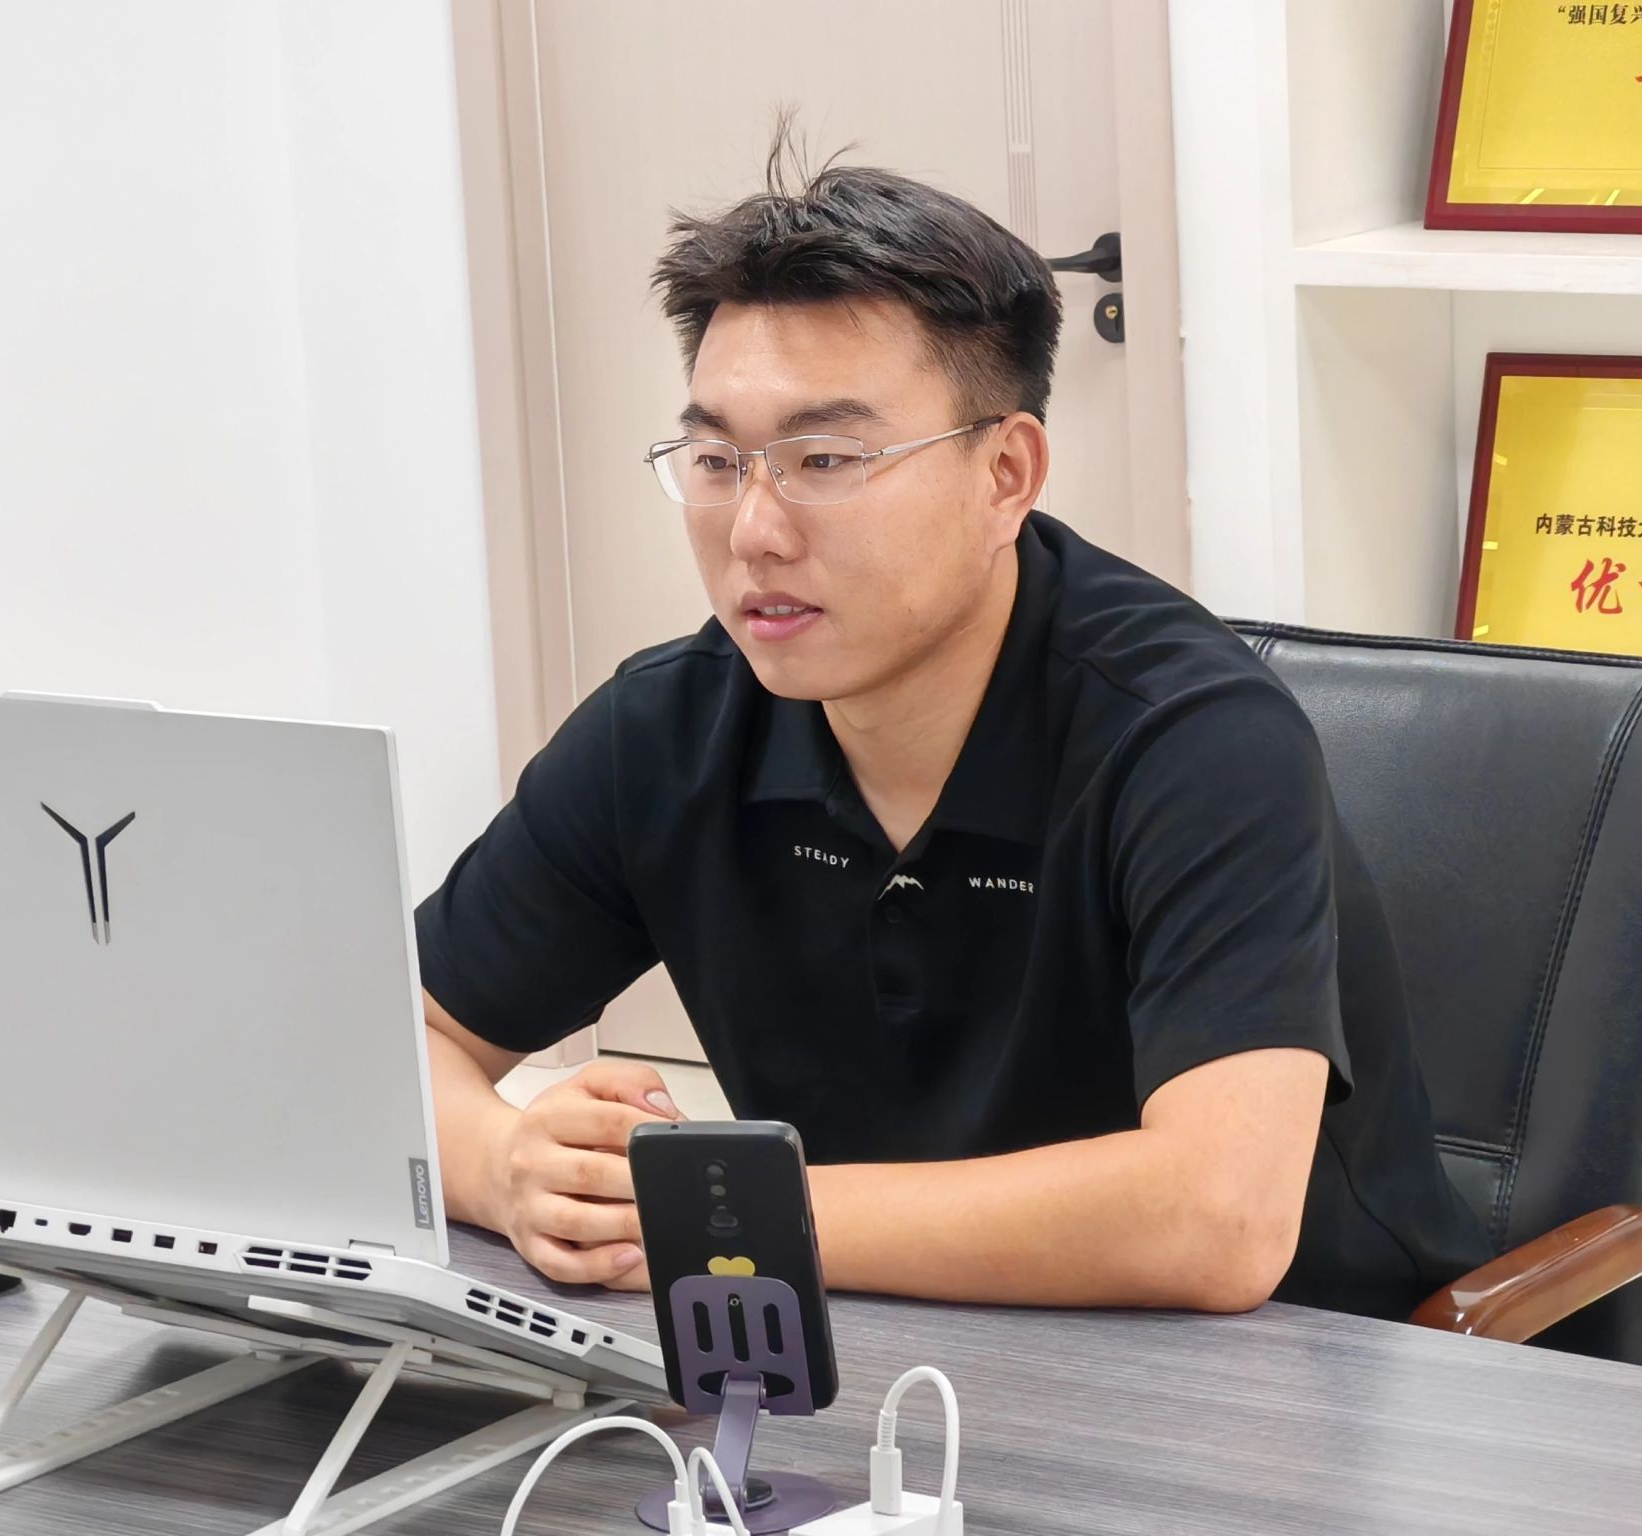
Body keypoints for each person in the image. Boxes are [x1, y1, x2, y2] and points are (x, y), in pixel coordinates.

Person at [415, 129, 1490, 1317]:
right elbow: (384, 1040)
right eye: (717, 460)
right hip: (885, 1342)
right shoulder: (664, 730)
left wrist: (714, 1209)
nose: (754, 531)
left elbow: (1215, 1221)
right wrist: (502, 1165)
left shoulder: (1194, 737)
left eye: (825, 458)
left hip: (1294, 1367)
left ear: (1005, 475)